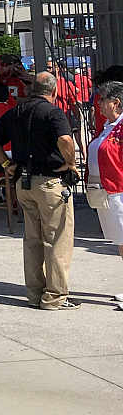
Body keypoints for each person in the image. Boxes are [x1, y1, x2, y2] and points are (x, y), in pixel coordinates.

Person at [0, 72, 80, 310]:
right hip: (50, 183)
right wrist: (71, 163)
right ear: (54, 91)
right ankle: (55, 296)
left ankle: (35, 294)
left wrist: (6, 164)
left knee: (32, 240)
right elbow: (65, 140)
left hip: (24, 183)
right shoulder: (53, 112)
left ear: (31, 89)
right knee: (57, 240)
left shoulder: (17, 111)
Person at [86, 81, 123, 307]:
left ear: (115, 102)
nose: (98, 104)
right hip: (107, 191)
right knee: (120, 241)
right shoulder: (108, 126)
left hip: (119, 191)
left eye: (102, 100)